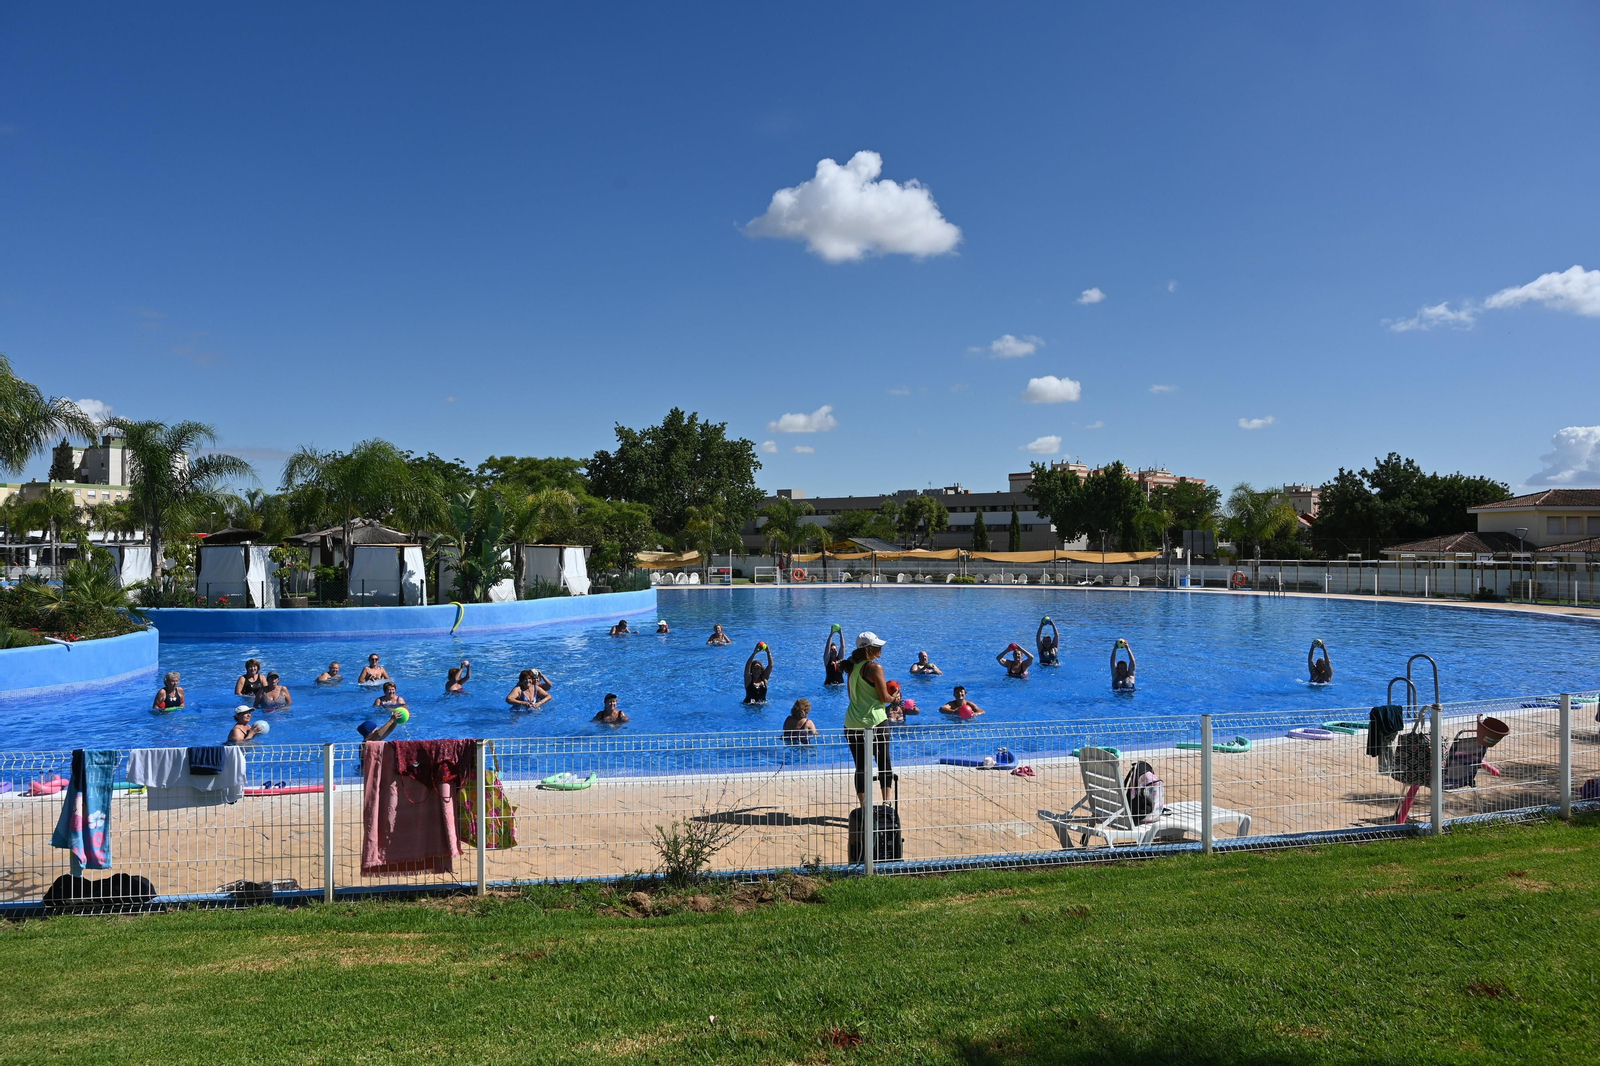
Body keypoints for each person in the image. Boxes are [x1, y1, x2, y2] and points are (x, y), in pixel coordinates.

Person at [842, 631, 897, 804]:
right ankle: (886, 804)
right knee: (883, 762)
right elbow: (884, 698)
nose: (880, 648)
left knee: (861, 767)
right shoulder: (875, 668)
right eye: (877, 646)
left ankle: (864, 807)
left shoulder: (852, 670)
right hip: (875, 722)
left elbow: (852, 697)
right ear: (868, 650)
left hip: (851, 723)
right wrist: (895, 697)